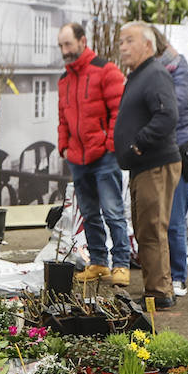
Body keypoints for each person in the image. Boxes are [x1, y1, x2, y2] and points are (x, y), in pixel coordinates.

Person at [113, 21, 181, 311]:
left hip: (155, 163)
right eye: (121, 41)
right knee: (145, 229)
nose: (123, 46)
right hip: (143, 166)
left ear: (148, 46)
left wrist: (139, 143)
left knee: (152, 228)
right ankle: (156, 289)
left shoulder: (153, 74)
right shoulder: (139, 75)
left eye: (129, 40)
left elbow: (167, 116)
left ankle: (160, 292)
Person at [56, 22, 130, 286]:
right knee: (88, 213)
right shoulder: (64, 80)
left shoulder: (105, 70)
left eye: (68, 44)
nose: (64, 50)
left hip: (104, 155)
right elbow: (63, 117)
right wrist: (63, 145)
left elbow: (119, 113)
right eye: (61, 45)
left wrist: (110, 144)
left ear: (82, 41)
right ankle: (99, 262)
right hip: (78, 158)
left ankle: (121, 263)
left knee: (113, 211)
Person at [152, 26, 188, 299]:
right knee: (160, 217)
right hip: (160, 150)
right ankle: (164, 274)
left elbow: (174, 108)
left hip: (178, 149)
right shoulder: (152, 71)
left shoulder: (177, 67)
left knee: (175, 217)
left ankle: (178, 276)